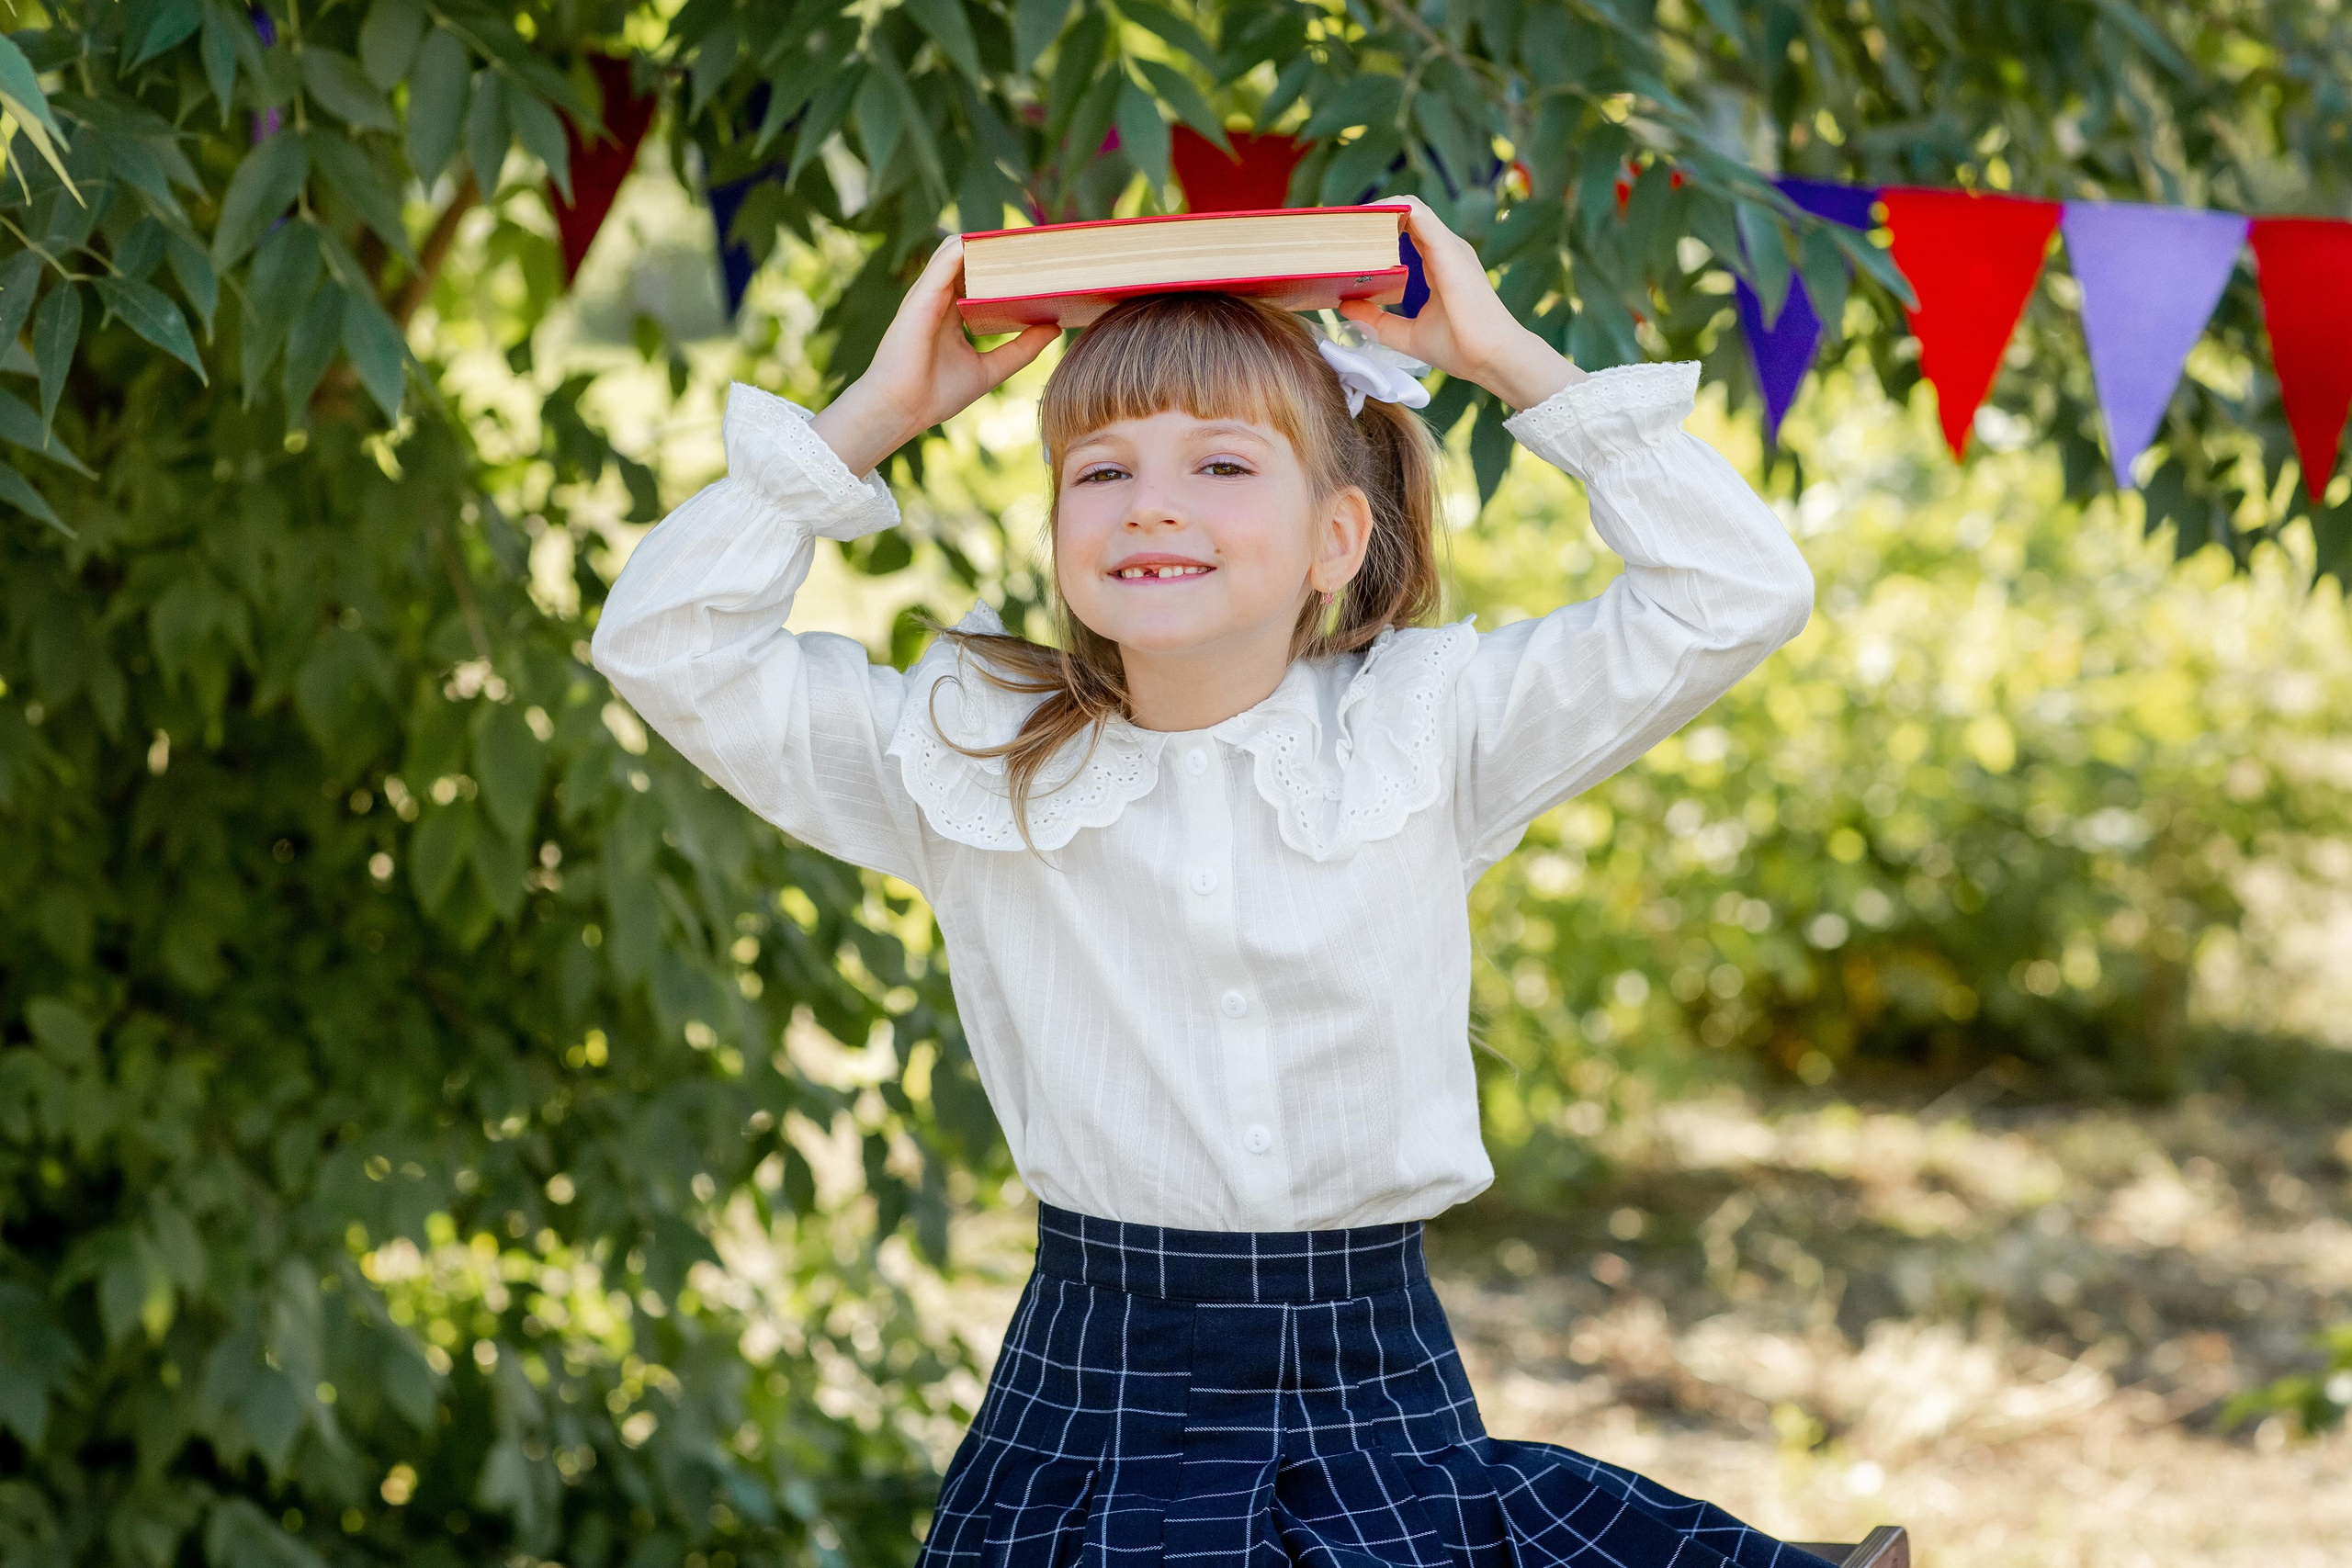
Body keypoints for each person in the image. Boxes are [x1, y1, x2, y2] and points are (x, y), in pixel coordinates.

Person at [593, 195, 1826, 1568]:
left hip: (1375, 1373)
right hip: (1095, 1382)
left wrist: (1506, 356)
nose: (1154, 503)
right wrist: (875, 415)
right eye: (1100, 471)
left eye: (1223, 467)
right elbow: (666, 647)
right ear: (1059, 527)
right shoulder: (963, 754)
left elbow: (1736, 590)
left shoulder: (1431, 730)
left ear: (1336, 539)